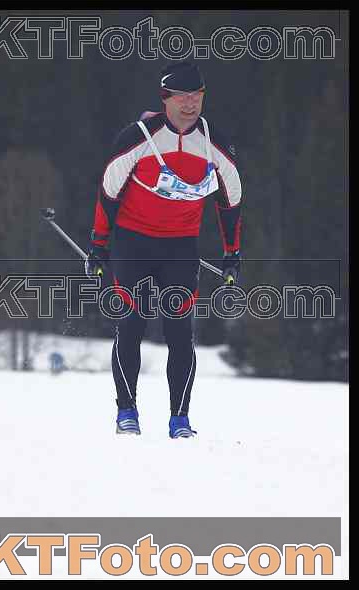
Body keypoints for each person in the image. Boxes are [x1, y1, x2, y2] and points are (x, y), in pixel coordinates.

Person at [85, 60, 242, 438]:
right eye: (181, 96)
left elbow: (231, 200)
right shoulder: (138, 137)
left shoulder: (214, 142)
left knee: (180, 332)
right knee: (131, 325)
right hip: (133, 243)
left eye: (197, 95)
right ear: (165, 98)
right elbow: (108, 192)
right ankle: (127, 413)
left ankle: (180, 419)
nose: (190, 104)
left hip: (180, 247)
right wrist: (98, 245)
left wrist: (232, 252)